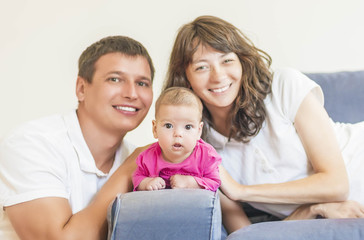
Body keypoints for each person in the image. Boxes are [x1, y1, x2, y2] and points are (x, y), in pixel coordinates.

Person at [163, 15, 364, 233]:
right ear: (185, 78)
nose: (218, 76)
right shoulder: (201, 149)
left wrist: (240, 191)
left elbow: (337, 185)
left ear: (242, 62)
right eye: (202, 67)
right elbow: (246, 235)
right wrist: (313, 209)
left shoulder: (283, 86)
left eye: (227, 60)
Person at [0, 35, 154, 239]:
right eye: (115, 79)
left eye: (142, 83)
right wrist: (127, 171)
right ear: (81, 89)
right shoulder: (32, 143)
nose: (132, 93)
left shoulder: (139, 161)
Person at [132, 87, 221, 192]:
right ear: (155, 129)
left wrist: (190, 182)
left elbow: (215, 182)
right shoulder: (147, 158)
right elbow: (136, 178)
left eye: (188, 127)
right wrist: (146, 183)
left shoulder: (206, 156)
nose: (178, 134)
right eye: (169, 126)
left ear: (198, 131)